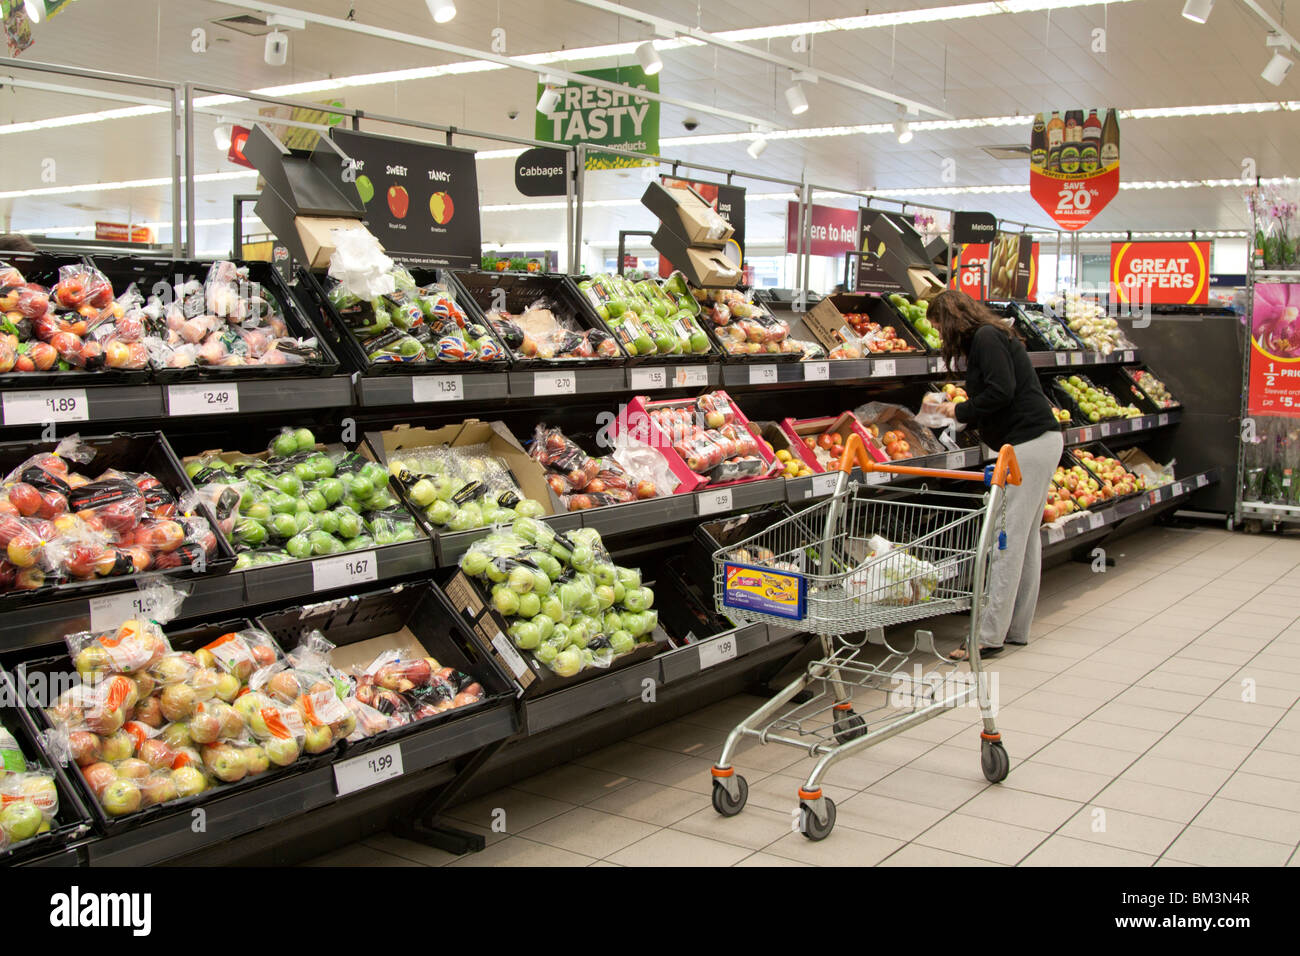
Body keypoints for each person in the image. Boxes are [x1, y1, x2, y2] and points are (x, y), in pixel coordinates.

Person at [929, 290, 1063, 660]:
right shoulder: (993, 335)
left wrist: (956, 410)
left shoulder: (986, 338)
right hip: (1040, 441)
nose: (941, 335)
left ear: (951, 319)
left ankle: (988, 636)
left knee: (1004, 541)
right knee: (1024, 540)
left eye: (939, 326)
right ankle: (1014, 628)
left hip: (1025, 446)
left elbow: (1001, 393)